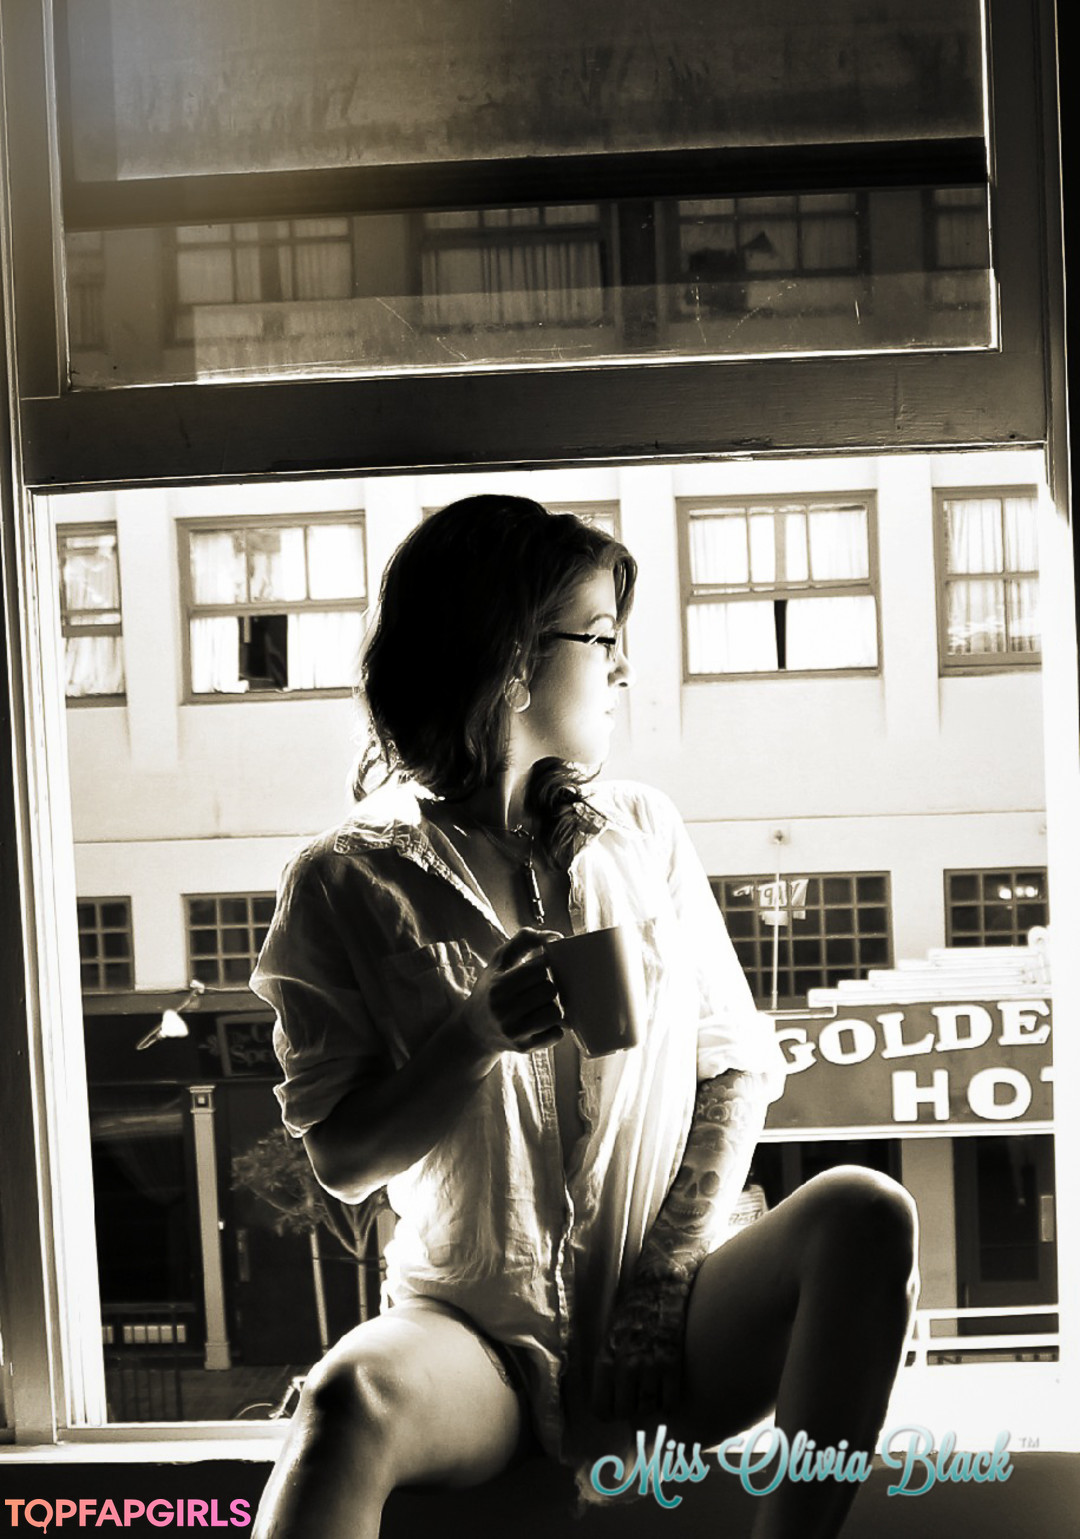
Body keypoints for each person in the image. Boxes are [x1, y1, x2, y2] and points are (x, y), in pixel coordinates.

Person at [250, 494, 918, 1539]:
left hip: (673, 1328)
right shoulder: (346, 880)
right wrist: (474, 1035)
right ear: (513, 661)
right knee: (344, 1403)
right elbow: (342, 1159)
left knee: (865, 1211)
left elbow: (735, 1066)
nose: (623, 668)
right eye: (602, 638)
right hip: (468, 1336)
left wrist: (664, 1283)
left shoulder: (642, 831)